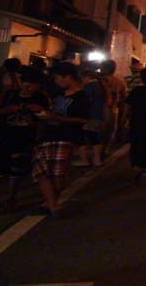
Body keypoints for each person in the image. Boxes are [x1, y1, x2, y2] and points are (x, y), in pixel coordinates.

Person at [31, 62, 89, 218]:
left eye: (57, 78)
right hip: (48, 135)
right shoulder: (61, 94)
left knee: (57, 174)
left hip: (66, 136)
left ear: (67, 77)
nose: (56, 81)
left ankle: (51, 204)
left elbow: (83, 120)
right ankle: (52, 205)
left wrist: (55, 117)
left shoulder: (82, 96)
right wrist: (44, 112)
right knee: (41, 171)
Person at [0, 66, 49, 211]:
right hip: (4, 135)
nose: (28, 87)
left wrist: (40, 111)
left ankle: (11, 199)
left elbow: (47, 116)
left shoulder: (41, 98)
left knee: (17, 170)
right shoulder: (10, 95)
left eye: (32, 85)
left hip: (26, 137)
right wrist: (9, 110)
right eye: (26, 83)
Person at [74, 67, 108, 167]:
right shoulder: (100, 86)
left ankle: (84, 160)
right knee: (95, 138)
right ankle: (97, 160)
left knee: (83, 138)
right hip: (98, 115)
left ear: (87, 77)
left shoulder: (89, 86)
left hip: (89, 115)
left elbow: (85, 101)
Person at [98, 59, 128, 150]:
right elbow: (123, 99)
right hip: (112, 110)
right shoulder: (119, 82)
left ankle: (96, 152)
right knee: (108, 131)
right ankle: (104, 150)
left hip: (96, 109)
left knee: (95, 132)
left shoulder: (95, 80)